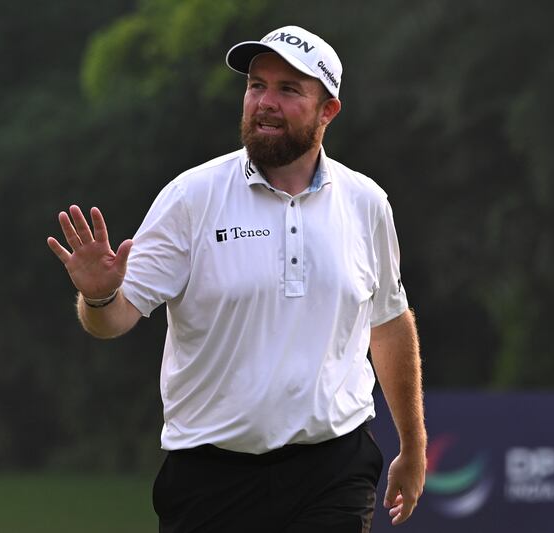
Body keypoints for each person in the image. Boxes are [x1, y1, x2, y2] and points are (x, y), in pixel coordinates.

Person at [47, 25, 426, 533]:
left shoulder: (366, 203)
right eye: (256, 85)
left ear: (328, 110)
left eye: (288, 89)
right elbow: (113, 320)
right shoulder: (191, 197)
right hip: (211, 477)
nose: (265, 102)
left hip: (333, 469)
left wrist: (413, 445)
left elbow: (389, 322)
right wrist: (99, 296)